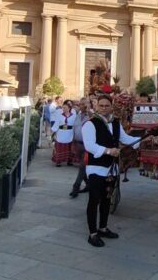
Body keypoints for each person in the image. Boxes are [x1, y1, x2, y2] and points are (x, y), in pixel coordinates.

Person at [82, 94, 138, 247]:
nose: (104, 108)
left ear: (111, 106)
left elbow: (125, 139)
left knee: (107, 199)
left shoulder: (115, 123)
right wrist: (108, 151)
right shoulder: (90, 124)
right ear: (97, 106)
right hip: (96, 168)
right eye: (102, 105)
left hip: (111, 169)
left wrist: (142, 140)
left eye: (107, 105)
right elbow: (89, 146)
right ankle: (92, 233)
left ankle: (103, 227)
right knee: (94, 200)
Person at [70, 98, 91, 198]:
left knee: (82, 166)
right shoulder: (77, 115)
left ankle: (75, 187)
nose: (83, 106)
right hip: (78, 144)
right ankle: (89, 185)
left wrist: (90, 112)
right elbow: (74, 128)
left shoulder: (92, 116)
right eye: (81, 104)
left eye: (85, 104)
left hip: (87, 145)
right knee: (83, 168)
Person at [51, 101, 76, 167]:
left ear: (69, 108)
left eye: (65, 108)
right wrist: (53, 131)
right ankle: (58, 162)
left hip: (69, 133)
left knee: (69, 147)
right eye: (63, 108)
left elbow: (75, 125)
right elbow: (56, 124)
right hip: (61, 132)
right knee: (59, 147)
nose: (64, 109)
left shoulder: (73, 116)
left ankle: (69, 161)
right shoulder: (60, 116)